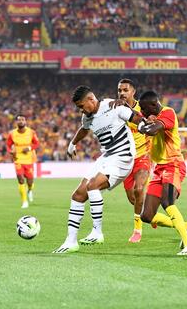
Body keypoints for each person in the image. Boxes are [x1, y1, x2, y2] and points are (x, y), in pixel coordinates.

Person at [52, 85, 146, 254]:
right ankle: (71, 241)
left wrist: (143, 126)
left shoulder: (113, 106)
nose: (81, 110)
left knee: (93, 185)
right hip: (107, 156)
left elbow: (134, 117)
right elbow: (84, 129)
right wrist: (73, 143)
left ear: (91, 99)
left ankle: (97, 231)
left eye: (82, 106)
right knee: (78, 195)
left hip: (123, 156)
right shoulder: (87, 116)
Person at [137, 90, 187, 256]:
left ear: (153, 105)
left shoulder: (168, 113)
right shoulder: (150, 116)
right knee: (147, 216)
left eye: (144, 108)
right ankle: (185, 226)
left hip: (174, 165)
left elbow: (154, 130)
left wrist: (142, 125)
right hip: (159, 168)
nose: (142, 112)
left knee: (167, 201)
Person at [117, 78, 151, 243]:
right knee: (134, 199)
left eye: (125, 90)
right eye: (120, 90)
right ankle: (154, 217)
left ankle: (137, 230)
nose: (122, 93)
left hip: (143, 155)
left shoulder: (143, 109)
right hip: (125, 159)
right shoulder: (115, 109)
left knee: (139, 190)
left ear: (133, 92)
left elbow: (152, 126)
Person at [6, 115, 40, 209]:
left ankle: (29, 190)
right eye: (19, 120)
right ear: (16, 122)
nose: (20, 121)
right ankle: (24, 201)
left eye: (22, 120)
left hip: (29, 160)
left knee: (30, 181)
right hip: (18, 159)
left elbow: (37, 143)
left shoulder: (31, 132)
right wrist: (10, 151)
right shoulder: (12, 133)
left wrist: (29, 148)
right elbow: (8, 145)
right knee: (20, 179)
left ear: (25, 121)